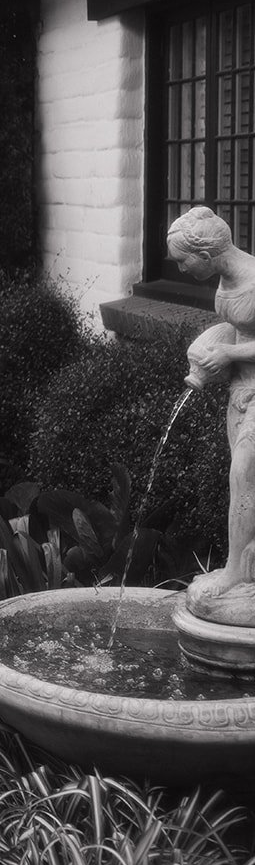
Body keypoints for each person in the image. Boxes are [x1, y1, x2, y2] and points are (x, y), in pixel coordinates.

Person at [168, 205, 255, 625]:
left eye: (183, 261)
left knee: (244, 472)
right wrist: (207, 350)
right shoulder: (225, 278)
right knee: (245, 481)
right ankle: (245, 566)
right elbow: (239, 328)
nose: (180, 269)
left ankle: (236, 571)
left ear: (205, 254)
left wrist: (229, 353)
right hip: (241, 391)